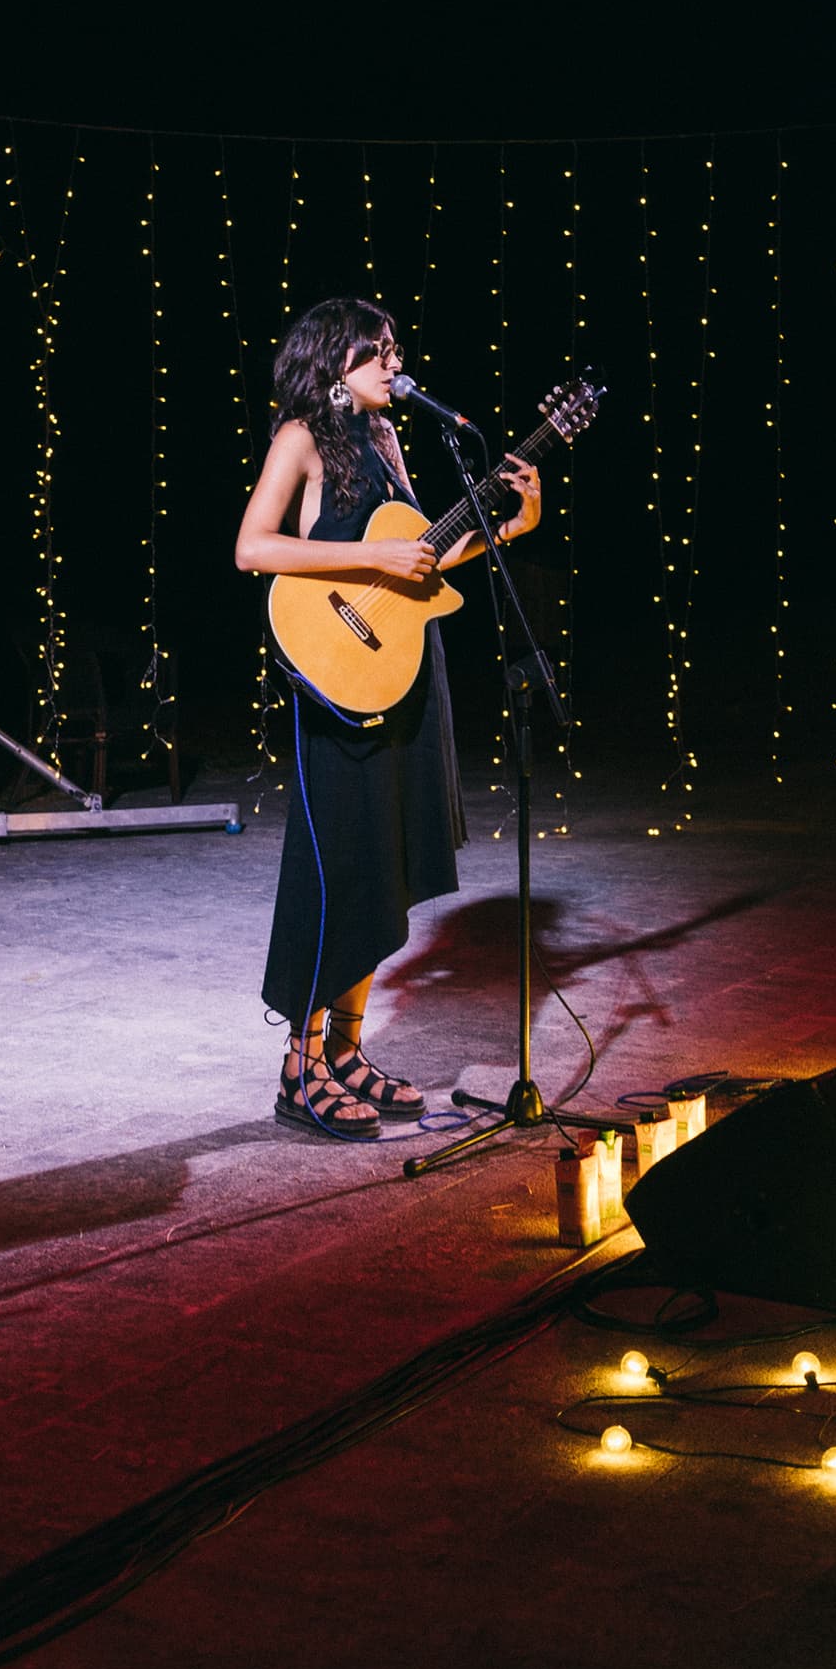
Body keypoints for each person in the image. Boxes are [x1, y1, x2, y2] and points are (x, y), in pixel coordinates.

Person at [234, 298, 540, 1140]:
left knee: (384, 869)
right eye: (377, 351)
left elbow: (421, 564)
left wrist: (512, 528)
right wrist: (372, 553)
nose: (394, 364)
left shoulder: (388, 438)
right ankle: (300, 1067)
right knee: (334, 869)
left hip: (403, 673)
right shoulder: (300, 436)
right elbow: (254, 547)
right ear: (333, 360)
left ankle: (347, 1050)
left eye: (396, 350)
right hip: (336, 678)